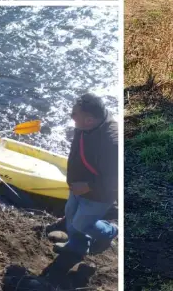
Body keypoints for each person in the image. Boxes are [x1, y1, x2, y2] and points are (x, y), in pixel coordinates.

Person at [58, 93, 119, 258]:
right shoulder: (85, 126)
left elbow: (115, 179)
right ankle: (77, 246)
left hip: (97, 195)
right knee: (70, 214)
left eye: (74, 115)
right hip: (77, 188)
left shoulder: (112, 143)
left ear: (90, 120)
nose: (72, 117)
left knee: (81, 223)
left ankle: (110, 232)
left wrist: (87, 186)